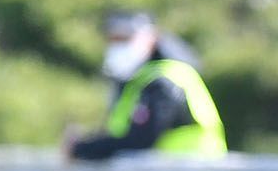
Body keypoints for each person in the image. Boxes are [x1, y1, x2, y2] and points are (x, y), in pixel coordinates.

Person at [64, 10, 227, 160]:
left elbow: (141, 140)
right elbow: (122, 133)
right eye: (113, 40)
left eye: (124, 39)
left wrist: (81, 148)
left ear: (150, 39)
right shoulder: (139, 80)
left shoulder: (165, 81)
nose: (116, 46)